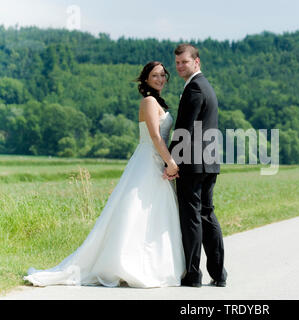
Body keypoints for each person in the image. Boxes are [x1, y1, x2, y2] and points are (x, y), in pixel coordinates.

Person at [24, 61, 186, 288]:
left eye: (162, 75)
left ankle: (152, 263)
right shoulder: (149, 101)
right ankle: (125, 264)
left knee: (152, 214)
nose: (160, 79)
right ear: (146, 79)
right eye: (155, 75)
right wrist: (171, 163)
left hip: (157, 162)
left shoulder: (157, 101)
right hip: (149, 161)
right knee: (137, 212)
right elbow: (156, 137)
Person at [166, 43, 227, 287]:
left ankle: (193, 275)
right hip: (209, 162)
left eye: (185, 62)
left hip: (193, 163)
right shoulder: (206, 87)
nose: (180, 66)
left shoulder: (194, 89)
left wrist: (171, 161)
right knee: (206, 214)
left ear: (196, 62)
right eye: (178, 63)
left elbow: (184, 129)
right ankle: (219, 274)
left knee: (192, 217)